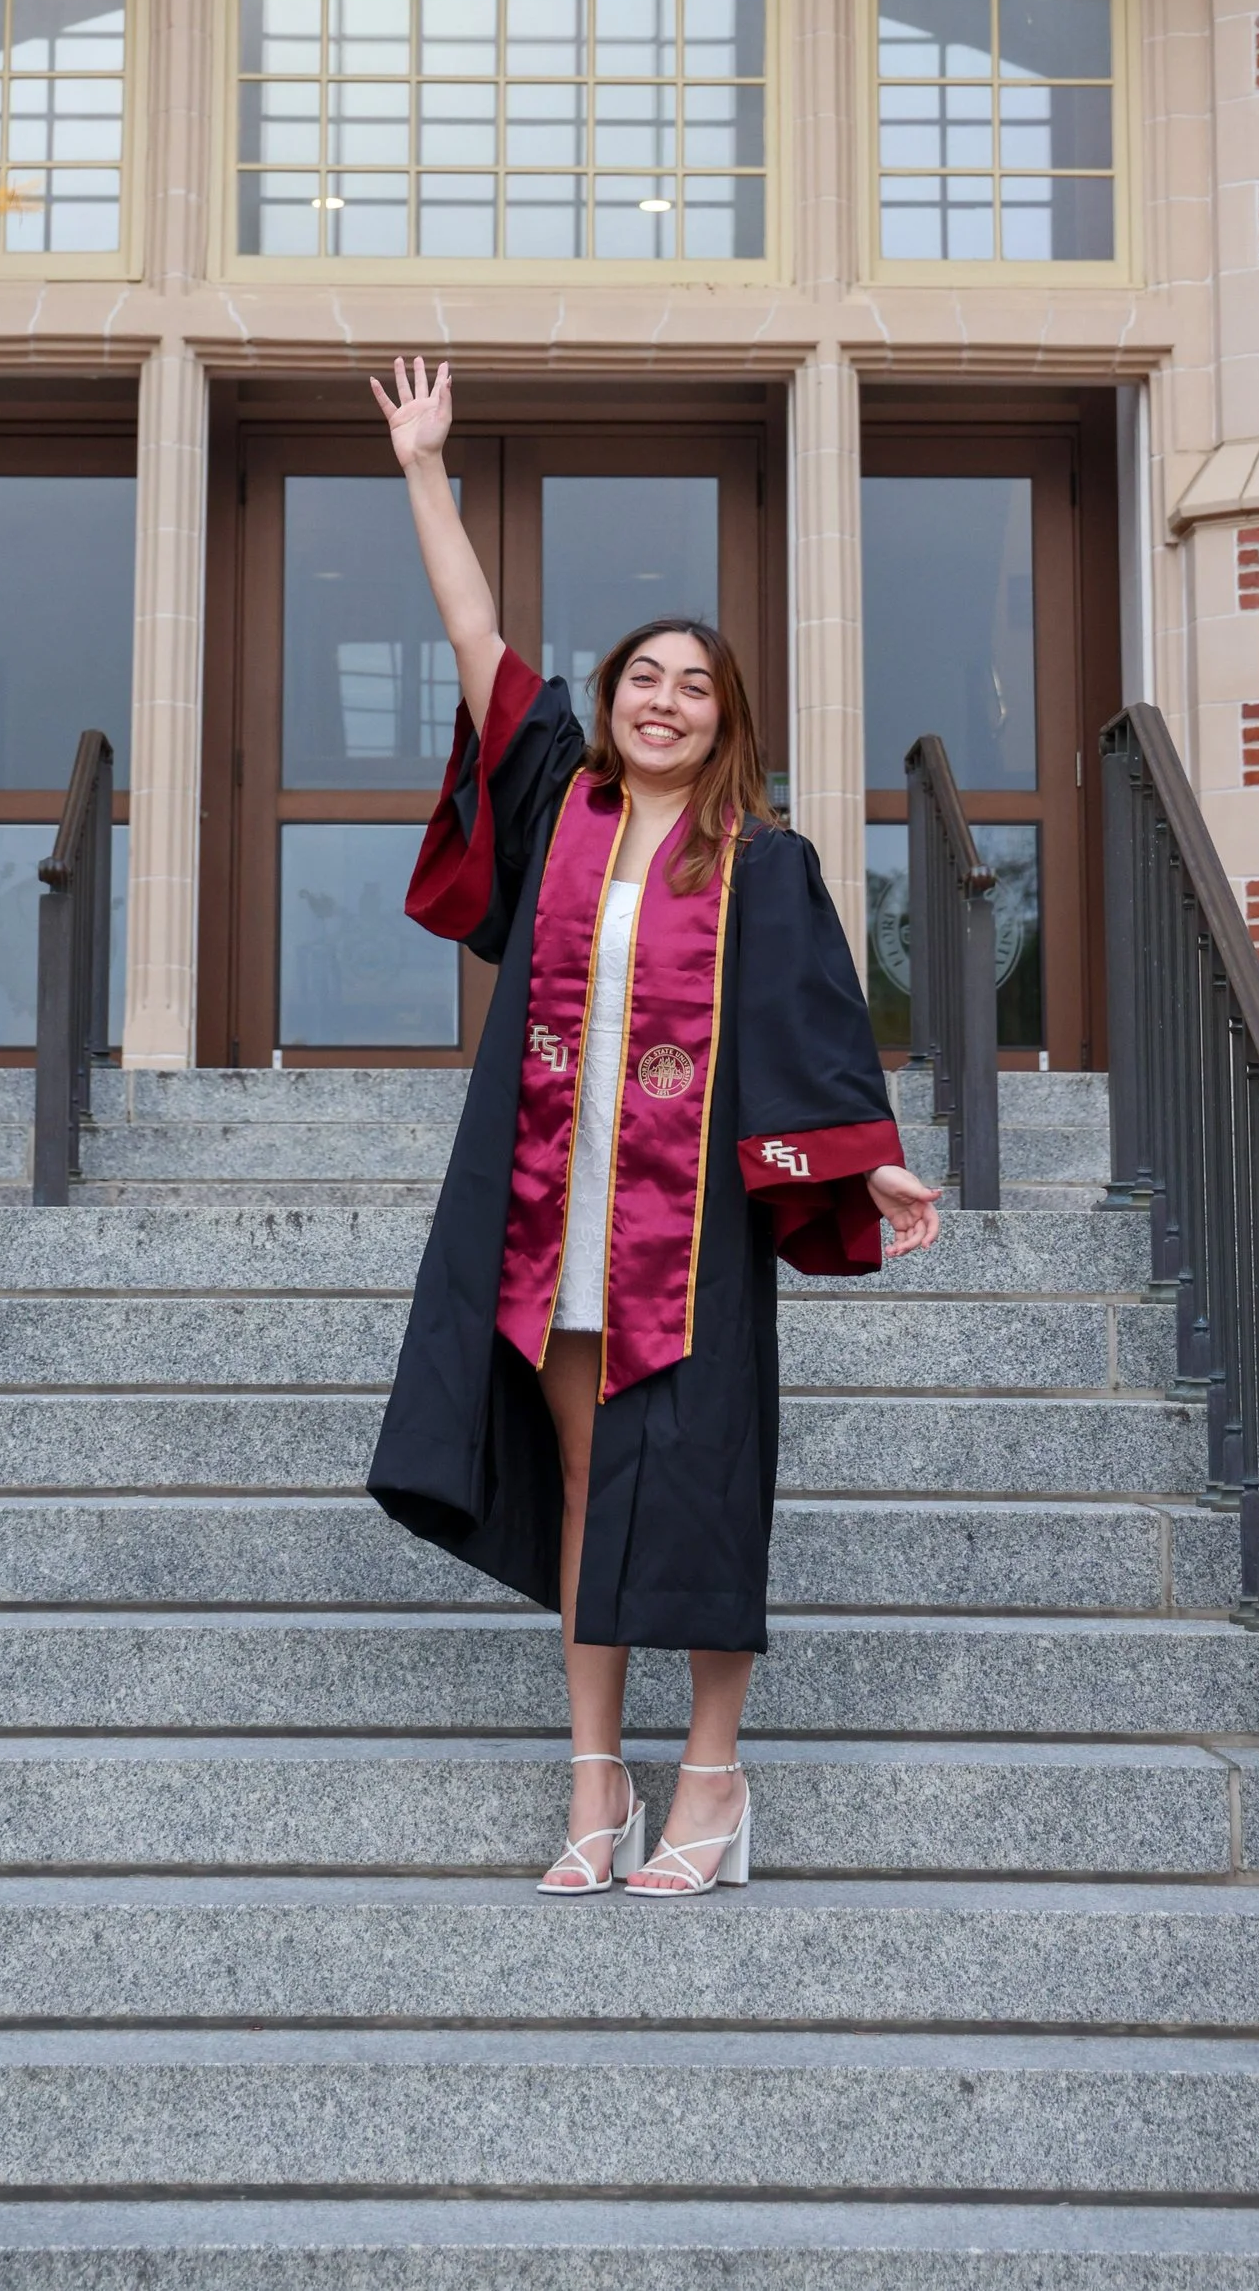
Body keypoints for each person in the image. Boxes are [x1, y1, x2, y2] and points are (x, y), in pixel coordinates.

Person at [364, 354, 941, 1897]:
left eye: (696, 685)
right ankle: (593, 1788)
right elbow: (481, 642)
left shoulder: (765, 862)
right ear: (612, 699)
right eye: (645, 679)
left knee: (693, 1495)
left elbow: (811, 1034)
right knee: (579, 1495)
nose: (665, 701)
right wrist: (427, 468)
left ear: (724, 716)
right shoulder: (560, 803)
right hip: (551, 1219)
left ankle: (713, 1783)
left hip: (683, 1247)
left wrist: (868, 1161)